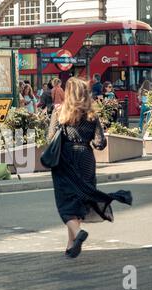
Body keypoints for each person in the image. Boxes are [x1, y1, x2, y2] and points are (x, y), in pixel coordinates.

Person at [47, 77, 132, 258]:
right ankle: (71, 245)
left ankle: (78, 234)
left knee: (65, 202)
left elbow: (50, 138)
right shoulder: (92, 115)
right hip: (86, 158)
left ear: (68, 93)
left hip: (65, 160)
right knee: (81, 199)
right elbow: (100, 143)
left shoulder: (60, 112)